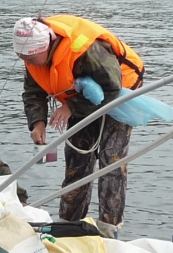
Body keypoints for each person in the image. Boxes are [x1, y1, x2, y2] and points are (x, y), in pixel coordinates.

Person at [13, 15, 144, 236]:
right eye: (24, 58)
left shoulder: (86, 49)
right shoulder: (32, 57)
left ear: (46, 46)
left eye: (32, 58)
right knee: (77, 163)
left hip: (118, 96)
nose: (30, 63)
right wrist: (38, 123)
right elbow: (33, 93)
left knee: (111, 162)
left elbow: (112, 86)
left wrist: (71, 107)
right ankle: (69, 225)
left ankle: (108, 229)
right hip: (80, 98)